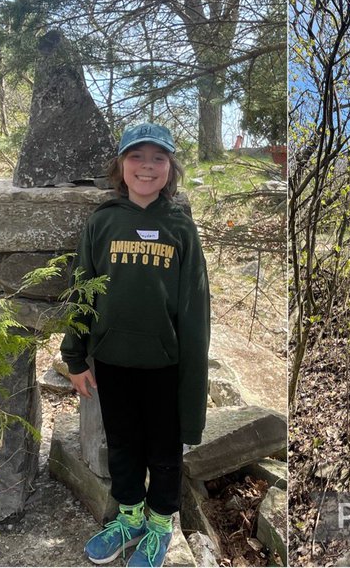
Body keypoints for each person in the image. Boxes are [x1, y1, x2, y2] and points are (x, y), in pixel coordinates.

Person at [61, 123, 209, 568]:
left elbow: (195, 309)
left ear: (171, 169)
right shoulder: (103, 221)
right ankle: (127, 519)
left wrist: (191, 375)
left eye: (158, 158)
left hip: (164, 363)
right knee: (123, 444)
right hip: (111, 359)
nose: (147, 166)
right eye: (137, 157)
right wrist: (74, 356)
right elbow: (82, 289)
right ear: (120, 166)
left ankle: (159, 526)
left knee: (164, 450)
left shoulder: (180, 227)